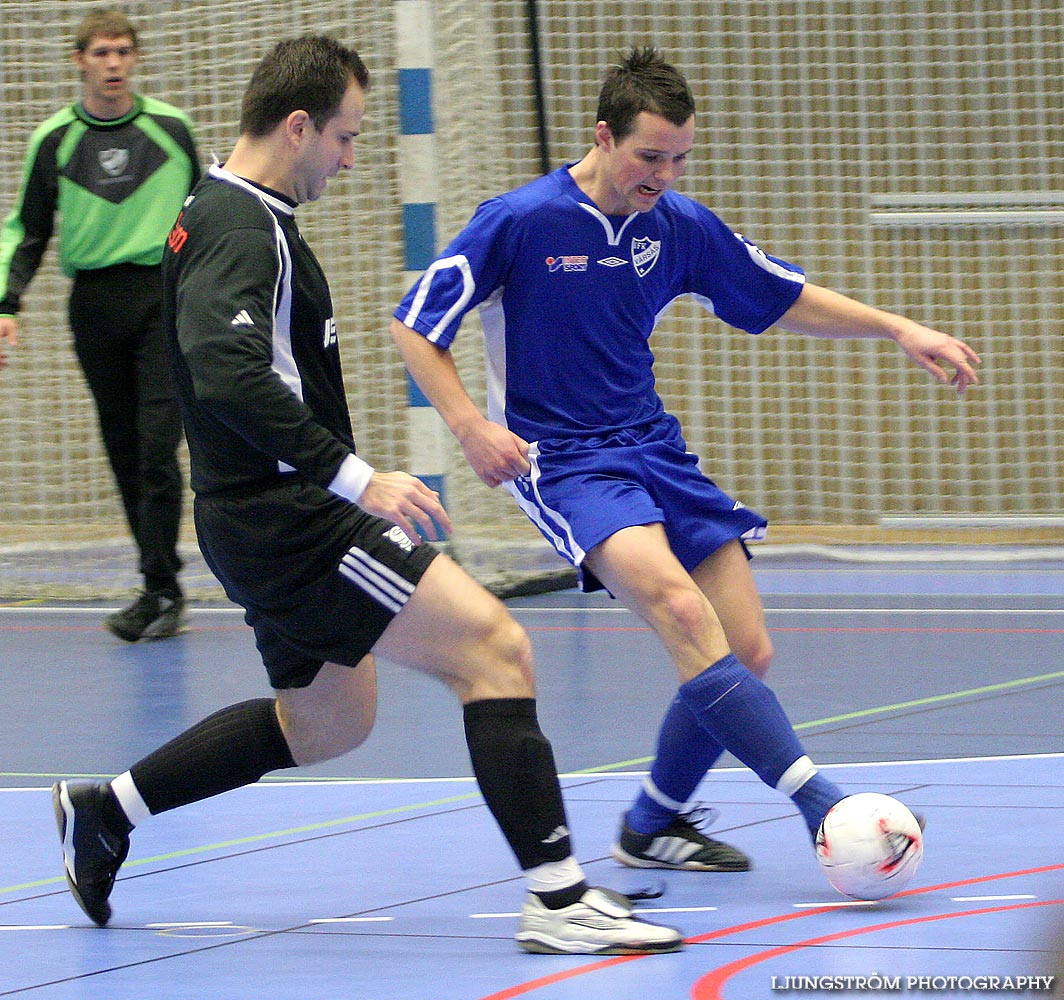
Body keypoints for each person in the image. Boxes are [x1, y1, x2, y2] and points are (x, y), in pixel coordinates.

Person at [50, 35, 683, 958]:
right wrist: (356, 477)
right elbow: (223, 371)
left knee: (328, 722)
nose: (348, 159)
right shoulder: (239, 224)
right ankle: (559, 900)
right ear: (298, 126)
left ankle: (109, 809)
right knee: (496, 649)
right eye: (345, 138)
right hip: (294, 518)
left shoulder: (222, 211)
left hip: (250, 516)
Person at [390, 47, 978, 875]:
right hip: (564, 463)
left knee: (747, 648)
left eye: (678, 159)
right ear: (603, 136)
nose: (662, 175)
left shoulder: (676, 226)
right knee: (679, 608)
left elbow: (783, 298)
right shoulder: (521, 220)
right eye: (648, 156)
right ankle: (824, 805)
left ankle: (649, 825)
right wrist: (467, 427)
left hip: (652, 448)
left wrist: (899, 328)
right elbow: (416, 322)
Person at [0, 10, 200, 641]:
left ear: (135, 60)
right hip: (93, 306)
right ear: (79, 60)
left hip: (160, 298)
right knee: (122, 452)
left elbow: (212, 207)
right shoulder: (54, 140)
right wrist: (7, 303)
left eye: (123, 52)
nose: (113, 63)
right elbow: (27, 231)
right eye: (101, 53)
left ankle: (165, 589)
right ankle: (156, 586)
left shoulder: (172, 128)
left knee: (155, 447)